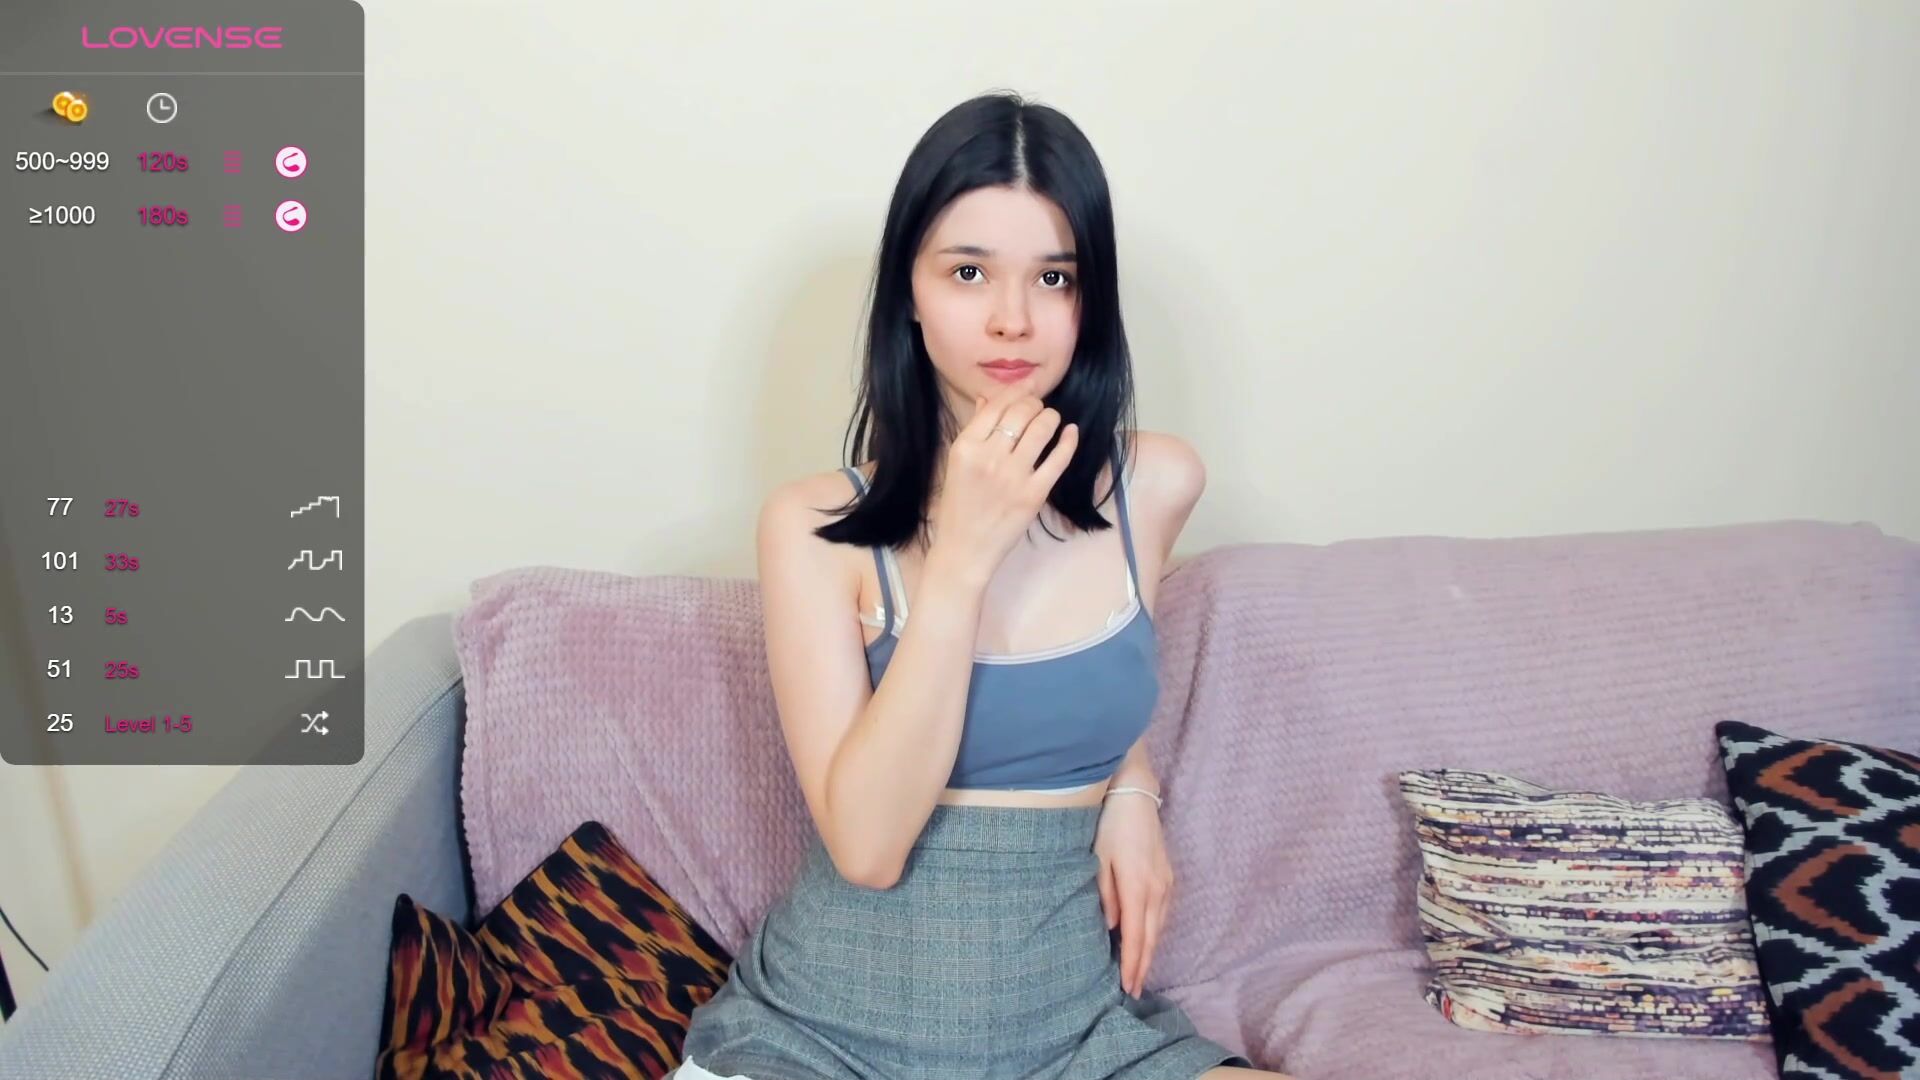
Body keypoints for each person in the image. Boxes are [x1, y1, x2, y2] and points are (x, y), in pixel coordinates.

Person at [674, 91, 1295, 1080]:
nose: (1013, 319)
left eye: (1054, 277)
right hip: (823, 1039)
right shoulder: (813, 527)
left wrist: (1133, 790)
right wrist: (963, 557)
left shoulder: (1155, 486)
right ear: (909, 294)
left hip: (1078, 1040)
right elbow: (868, 846)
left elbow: (1092, 678)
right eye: (968, 272)